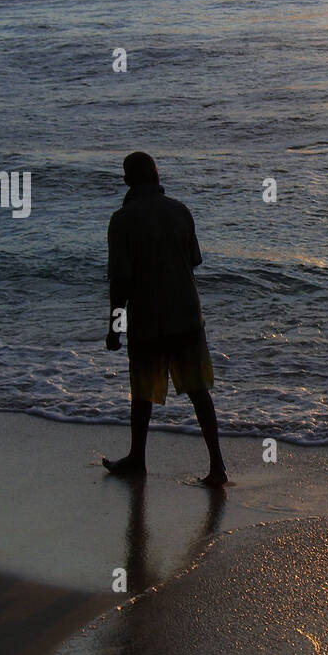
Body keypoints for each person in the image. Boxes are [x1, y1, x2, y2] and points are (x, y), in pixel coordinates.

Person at [102, 152, 228, 486]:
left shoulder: (122, 219)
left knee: (142, 393)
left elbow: (121, 282)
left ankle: (137, 459)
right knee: (198, 391)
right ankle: (217, 465)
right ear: (156, 175)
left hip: (147, 317)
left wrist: (115, 326)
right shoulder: (180, 211)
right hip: (186, 315)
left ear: (128, 180)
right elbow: (193, 261)